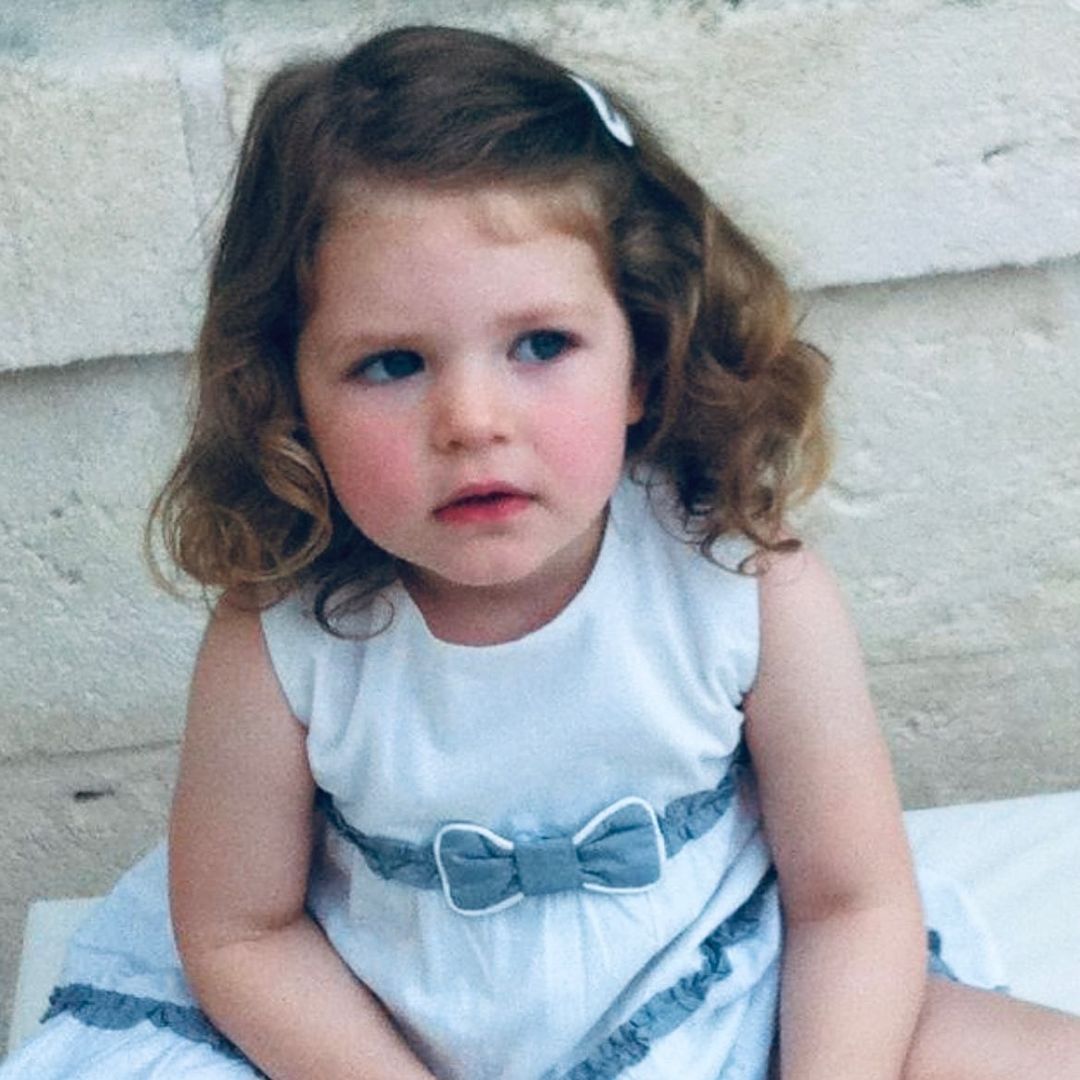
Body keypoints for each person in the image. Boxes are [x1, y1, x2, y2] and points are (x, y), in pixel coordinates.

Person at [3, 23, 1079, 1080]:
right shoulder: (286, 637)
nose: (472, 421)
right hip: (378, 1027)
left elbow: (849, 899)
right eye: (391, 364)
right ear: (289, 399)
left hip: (718, 989)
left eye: (541, 345)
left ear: (642, 359)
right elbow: (243, 934)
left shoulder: (740, 582)